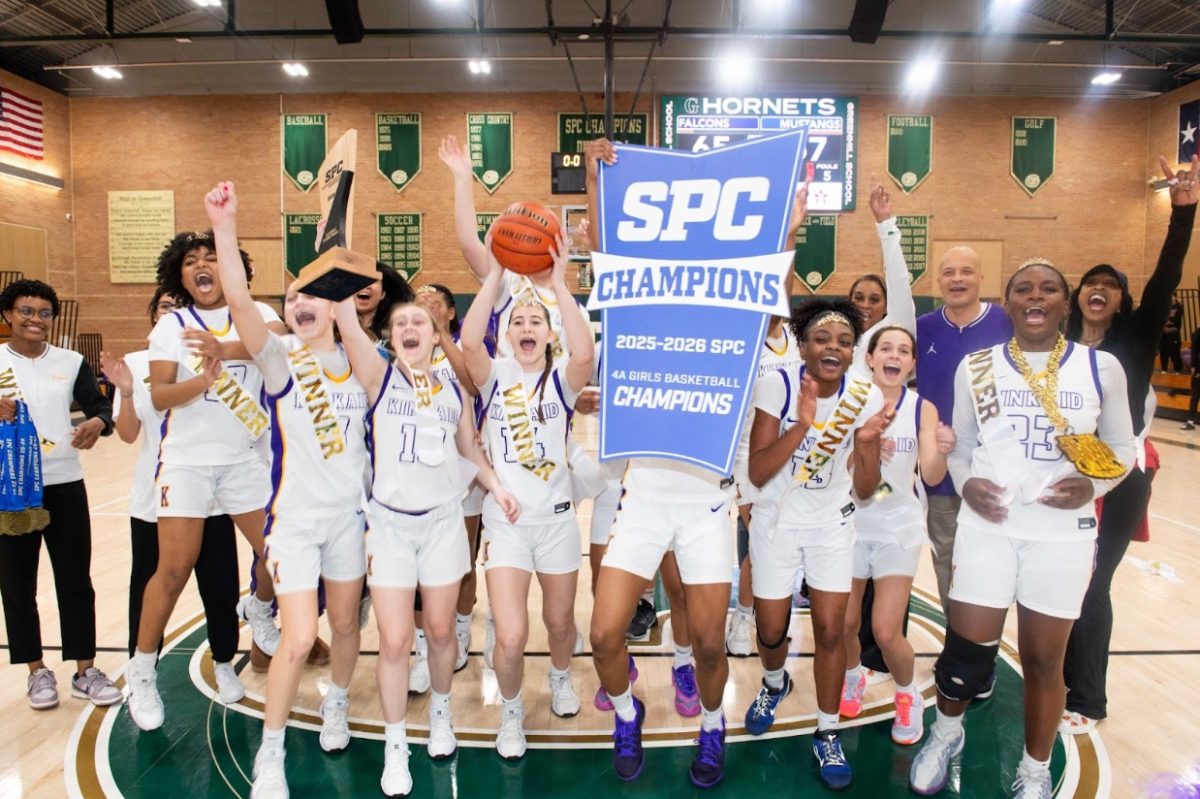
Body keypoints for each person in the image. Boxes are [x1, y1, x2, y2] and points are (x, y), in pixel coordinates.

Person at [909, 260, 1135, 799]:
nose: (1036, 296)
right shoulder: (977, 366)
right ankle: (946, 733)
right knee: (967, 652)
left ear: (1065, 301)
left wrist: (1094, 487)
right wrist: (965, 485)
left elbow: (1123, 450)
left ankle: (1034, 769)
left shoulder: (1101, 368)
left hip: (1062, 534)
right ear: (1007, 302)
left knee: (1042, 660)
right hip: (989, 528)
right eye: (1023, 289)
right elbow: (959, 448)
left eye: (1049, 288)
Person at [202, 182, 371, 798]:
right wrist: (225, 226)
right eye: (292, 294)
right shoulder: (280, 361)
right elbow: (242, 303)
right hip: (295, 523)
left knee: (349, 625)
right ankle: (270, 754)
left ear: (335, 306)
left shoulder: (362, 361)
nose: (299, 301)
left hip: (351, 521)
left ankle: (338, 703)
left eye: (312, 295)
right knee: (301, 635)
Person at [332, 288, 519, 797]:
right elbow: (347, 322)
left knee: (440, 633)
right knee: (394, 641)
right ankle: (396, 744)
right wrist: (339, 267)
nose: (410, 329)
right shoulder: (379, 376)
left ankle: (441, 713)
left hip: (442, 524)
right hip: (390, 528)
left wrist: (498, 488)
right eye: (400, 325)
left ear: (437, 337)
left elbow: (470, 452)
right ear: (391, 339)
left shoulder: (452, 392)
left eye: (420, 323)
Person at [125, 230, 287, 732]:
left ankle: (258, 609)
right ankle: (142, 669)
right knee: (174, 569)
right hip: (187, 462)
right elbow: (160, 397)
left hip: (244, 458)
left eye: (212, 258)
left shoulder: (257, 313)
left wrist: (225, 347)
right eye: (191, 261)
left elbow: (278, 349)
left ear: (232, 269)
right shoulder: (171, 325)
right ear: (181, 275)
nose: (202, 266)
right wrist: (205, 379)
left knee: (277, 553)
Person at [1060, 154, 1198, 733]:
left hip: (1118, 480)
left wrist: (1183, 214)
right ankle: (1060, 684)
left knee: (1092, 585)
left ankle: (1087, 700)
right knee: (1059, 585)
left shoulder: (1136, 343)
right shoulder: (1056, 344)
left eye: (1110, 286)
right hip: (1063, 478)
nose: (1099, 289)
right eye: (1091, 283)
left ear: (1121, 300)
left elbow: (1166, 278)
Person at [742, 298, 891, 791]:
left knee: (832, 631)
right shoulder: (777, 384)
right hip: (776, 522)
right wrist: (803, 423)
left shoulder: (865, 398)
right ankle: (773, 682)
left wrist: (866, 444)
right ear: (802, 344)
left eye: (845, 342)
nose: (833, 348)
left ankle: (827, 730)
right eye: (823, 339)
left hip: (831, 523)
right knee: (769, 631)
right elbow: (759, 471)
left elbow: (866, 490)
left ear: (854, 353)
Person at [460, 228, 594, 759]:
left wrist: (559, 285)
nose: (526, 326)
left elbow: (583, 351)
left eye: (535, 321)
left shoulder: (562, 379)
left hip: (558, 522)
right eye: (518, 321)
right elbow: (469, 343)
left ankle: (561, 677)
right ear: (508, 335)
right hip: (507, 525)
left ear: (548, 333)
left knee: (561, 622)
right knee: (510, 635)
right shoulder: (495, 376)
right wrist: (495, 275)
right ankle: (511, 712)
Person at [99, 289, 242, 706]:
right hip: (153, 496)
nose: (175, 313)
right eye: (167, 306)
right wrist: (125, 392)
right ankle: (142, 670)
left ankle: (225, 661)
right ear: (156, 315)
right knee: (154, 582)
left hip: (211, 491)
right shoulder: (139, 363)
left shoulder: (217, 351)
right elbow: (127, 435)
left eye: (181, 307)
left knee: (220, 585)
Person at [0, 278, 121, 711]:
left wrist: (97, 424)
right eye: (26, 311)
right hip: (11, 492)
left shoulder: (70, 362)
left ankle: (85, 670)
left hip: (65, 484)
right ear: (8, 316)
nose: (35, 319)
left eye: (44, 312)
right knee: (17, 587)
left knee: (75, 580)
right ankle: (36, 672)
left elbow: (101, 408)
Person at [839, 326, 953, 745]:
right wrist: (864, 450)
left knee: (886, 631)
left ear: (912, 364)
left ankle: (907, 695)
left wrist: (942, 447)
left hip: (897, 530)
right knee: (845, 623)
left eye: (904, 350)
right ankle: (853, 678)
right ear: (869, 358)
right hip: (849, 525)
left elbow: (932, 473)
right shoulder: (850, 402)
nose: (894, 355)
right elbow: (834, 469)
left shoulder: (921, 407)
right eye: (885, 347)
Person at [915, 246, 1013, 614]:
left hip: (996, 467)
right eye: (949, 272)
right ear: (938, 281)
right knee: (947, 558)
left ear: (981, 279)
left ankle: (980, 646)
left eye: (966, 271)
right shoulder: (923, 328)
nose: (958, 279)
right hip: (940, 469)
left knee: (992, 561)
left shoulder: (1006, 323)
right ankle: (957, 647)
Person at [416, 283, 483, 678]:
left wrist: (441, 335)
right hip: (421, 470)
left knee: (463, 561)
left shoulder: (463, 348)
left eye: (435, 300)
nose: (426, 304)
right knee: (422, 564)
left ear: (450, 312)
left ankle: (461, 626)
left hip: (462, 468)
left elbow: (474, 384)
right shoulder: (407, 347)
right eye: (420, 299)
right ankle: (425, 644)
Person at [1159, 297, 1184, 373]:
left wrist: (1167, 322)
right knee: (1163, 352)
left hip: (1173, 334)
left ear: (1175, 297)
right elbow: (1159, 318)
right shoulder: (1164, 306)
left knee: (1174, 352)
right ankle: (1164, 369)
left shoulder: (1178, 307)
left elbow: (1174, 320)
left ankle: (1178, 370)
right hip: (1163, 334)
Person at [1183, 322, 1200, 431]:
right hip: (1197, 369)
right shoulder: (1196, 334)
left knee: (1194, 396)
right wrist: (1195, 369)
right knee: (1194, 396)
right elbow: (1194, 354)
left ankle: (1190, 422)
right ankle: (1190, 422)